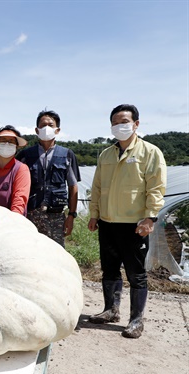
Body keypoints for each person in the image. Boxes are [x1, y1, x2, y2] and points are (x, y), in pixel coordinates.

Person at [88, 104, 166, 339]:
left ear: (136, 124)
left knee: (136, 273)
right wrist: (94, 214)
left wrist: (150, 217)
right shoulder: (106, 154)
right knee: (109, 269)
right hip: (107, 222)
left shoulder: (150, 152)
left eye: (124, 121)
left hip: (134, 224)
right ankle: (111, 310)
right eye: (115, 122)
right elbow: (97, 187)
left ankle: (136, 320)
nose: (119, 126)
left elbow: (156, 187)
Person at [17, 110, 81, 246]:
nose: (47, 128)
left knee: (56, 253)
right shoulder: (25, 155)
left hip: (56, 215)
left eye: (51, 125)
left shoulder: (67, 155)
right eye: (43, 125)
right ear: (36, 129)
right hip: (31, 214)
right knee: (30, 250)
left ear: (57, 130)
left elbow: (73, 186)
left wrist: (71, 215)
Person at [0, 126, 31, 215]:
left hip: (10, 221)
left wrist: (13, 221)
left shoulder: (21, 169)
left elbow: (19, 200)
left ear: (16, 146)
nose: (7, 144)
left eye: (11, 141)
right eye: (3, 140)